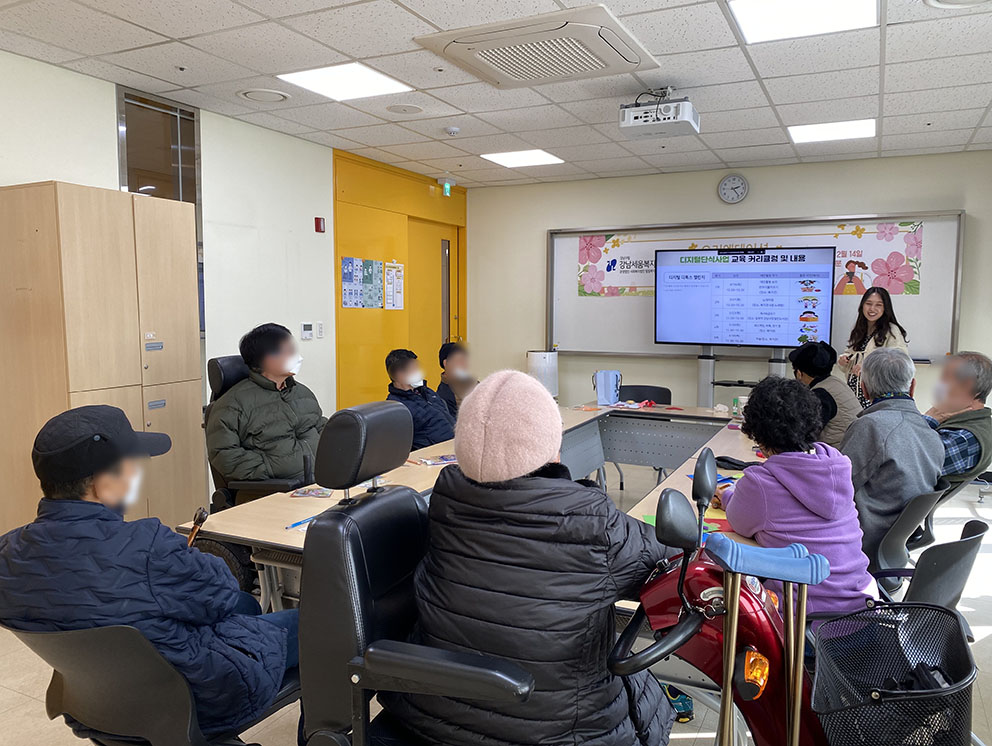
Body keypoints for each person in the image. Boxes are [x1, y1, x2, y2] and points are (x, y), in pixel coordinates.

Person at [382, 370, 677, 746]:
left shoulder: (446, 497)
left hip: (434, 715)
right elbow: (671, 563)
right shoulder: (591, 519)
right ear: (551, 443)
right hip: (560, 730)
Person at [0, 406, 298, 737]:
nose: (136, 476)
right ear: (104, 484)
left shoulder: (7, 553)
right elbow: (223, 591)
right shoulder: (148, 545)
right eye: (132, 467)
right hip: (198, 701)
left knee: (247, 604)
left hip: (93, 704)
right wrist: (179, 557)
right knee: (312, 622)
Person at [716, 377, 876, 617]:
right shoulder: (835, 462)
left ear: (758, 433)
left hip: (804, 616)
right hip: (861, 604)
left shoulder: (760, 483)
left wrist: (726, 495)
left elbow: (738, 521)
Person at [839, 348, 942, 565]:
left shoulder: (870, 426)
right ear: (912, 387)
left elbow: (836, 489)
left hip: (859, 544)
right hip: (893, 545)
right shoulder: (932, 434)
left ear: (864, 389)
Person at [207, 323, 326, 483]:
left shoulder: (303, 393)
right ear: (268, 358)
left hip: (321, 480)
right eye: (289, 351)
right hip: (278, 488)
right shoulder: (233, 404)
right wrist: (269, 469)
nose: (297, 357)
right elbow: (224, 455)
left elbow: (323, 429)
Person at [923, 351, 992, 487]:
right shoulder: (971, 421)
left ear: (968, 386)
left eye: (944, 377)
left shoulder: (964, 437)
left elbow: (907, 463)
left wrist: (928, 420)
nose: (938, 384)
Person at [837, 287, 909, 408]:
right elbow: (850, 356)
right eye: (868, 304)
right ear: (862, 305)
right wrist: (844, 360)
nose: (872, 309)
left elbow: (899, 363)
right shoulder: (860, 329)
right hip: (855, 393)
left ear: (885, 308)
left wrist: (867, 366)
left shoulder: (892, 331)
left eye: (878, 305)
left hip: (878, 395)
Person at [789, 341, 861, 447]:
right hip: (854, 449)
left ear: (799, 373)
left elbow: (802, 434)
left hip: (841, 453)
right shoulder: (836, 383)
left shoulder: (820, 395)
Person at [385, 348, 455, 450]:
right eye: (414, 369)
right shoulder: (397, 407)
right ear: (399, 375)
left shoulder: (427, 392)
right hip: (435, 453)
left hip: (455, 444)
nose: (419, 372)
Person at [436, 341, 477, 419]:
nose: (464, 364)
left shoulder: (470, 381)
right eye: (459, 360)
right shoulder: (445, 394)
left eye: (465, 360)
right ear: (446, 363)